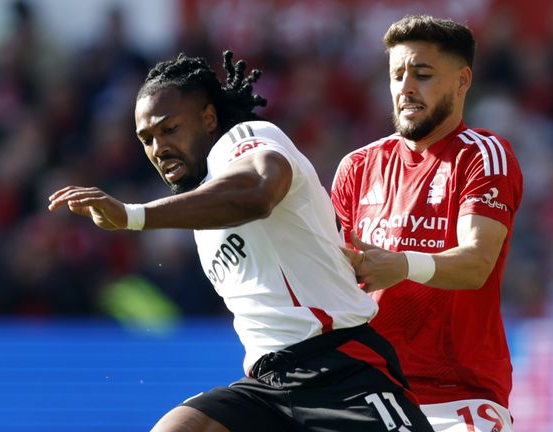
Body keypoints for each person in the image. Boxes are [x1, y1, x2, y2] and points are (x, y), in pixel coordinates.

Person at [48, 52, 433, 432]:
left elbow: (259, 192)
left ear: (209, 118)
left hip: (341, 368)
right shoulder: (204, 209)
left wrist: (134, 216)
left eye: (169, 129)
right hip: (268, 387)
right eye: (146, 139)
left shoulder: (245, 139)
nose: (158, 149)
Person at [332, 15, 523, 432]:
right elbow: (330, 274)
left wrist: (401, 265)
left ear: (462, 81)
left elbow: (476, 264)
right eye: (396, 75)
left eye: (422, 74)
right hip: (368, 389)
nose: (405, 87)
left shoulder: (483, 156)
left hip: (457, 394)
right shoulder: (358, 166)